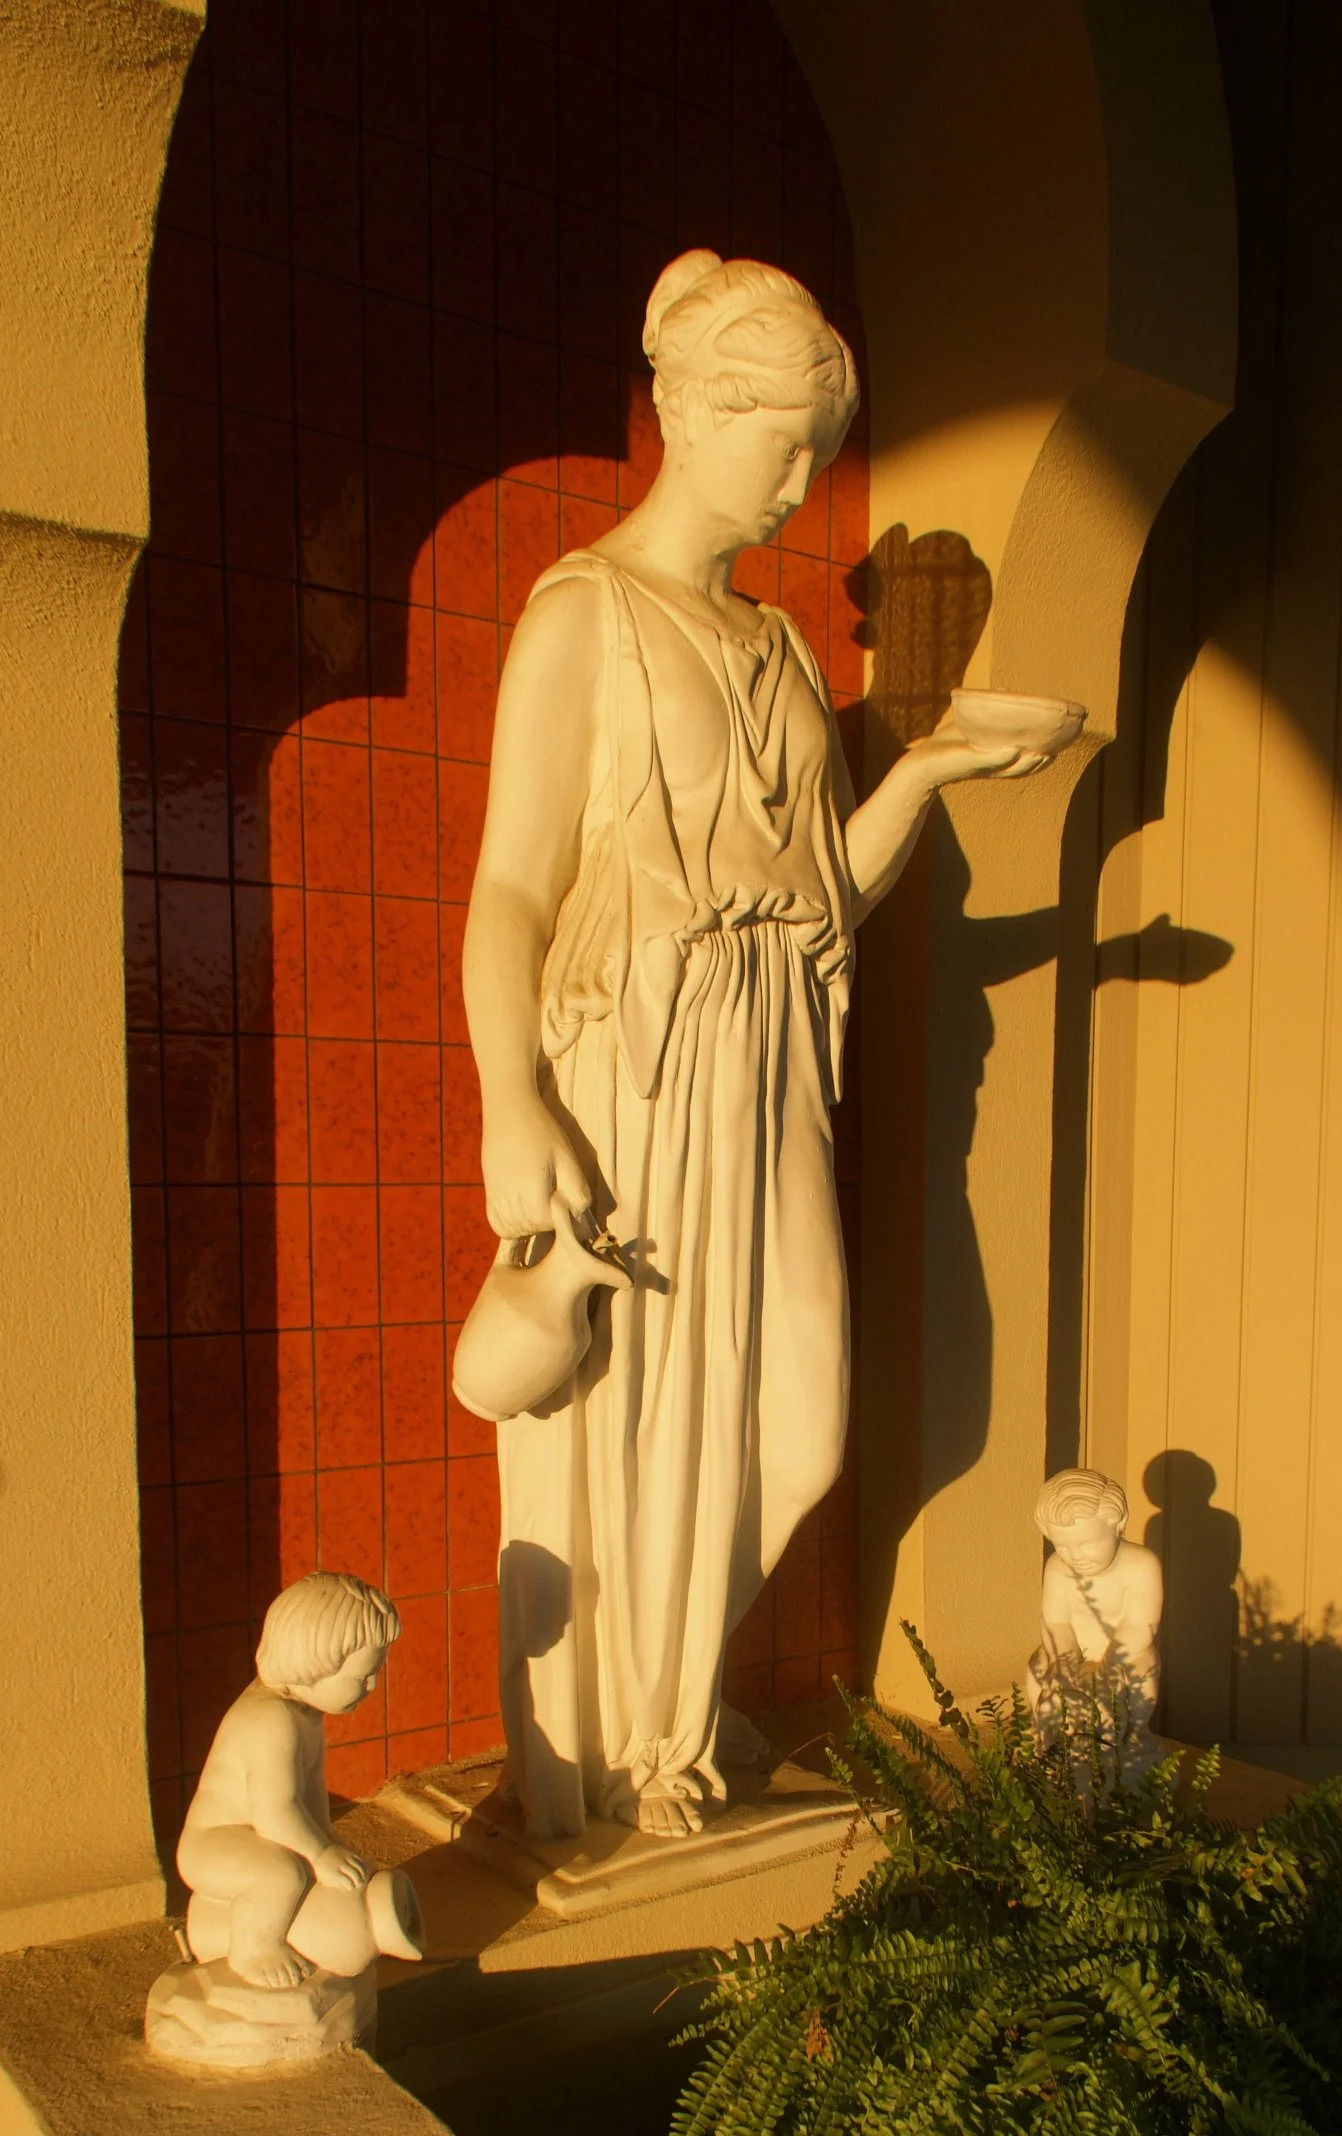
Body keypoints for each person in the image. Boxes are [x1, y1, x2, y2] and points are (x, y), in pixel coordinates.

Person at [464, 248, 1050, 1843]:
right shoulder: (585, 616)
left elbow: (816, 906)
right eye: (780, 438)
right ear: (693, 409)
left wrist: (926, 773)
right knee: (621, 1407)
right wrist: (510, 1101)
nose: (800, 481)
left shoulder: (785, 654)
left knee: (792, 1411)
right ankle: (615, 1754)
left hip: (766, 1067)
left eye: (819, 449)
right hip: (631, 1071)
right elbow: (512, 883)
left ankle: (669, 1707)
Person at [176, 1572, 400, 1988]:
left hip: (256, 1834)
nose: (372, 1687)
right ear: (314, 1663)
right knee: (280, 1875)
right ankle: (253, 1950)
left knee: (308, 1866)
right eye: (361, 1676)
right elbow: (276, 1812)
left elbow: (309, 1796)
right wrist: (318, 1856)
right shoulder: (271, 1720)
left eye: (374, 1674)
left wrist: (327, 1842)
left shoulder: (304, 1713)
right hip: (214, 1843)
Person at [1027, 1469, 1164, 1752]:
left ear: (1117, 1525)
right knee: (1037, 1668)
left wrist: (1110, 1667)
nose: (1075, 1555)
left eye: (1088, 1544)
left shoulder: (1142, 1565)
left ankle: (1137, 1733)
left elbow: (1140, 1625)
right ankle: (1043, 1731)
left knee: (1144, 1673)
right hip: (1071, 1652)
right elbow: (1055, 1622)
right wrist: (1066, 1662)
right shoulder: (1057, 1567)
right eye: (1063, 1545)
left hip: (1123, 1656)